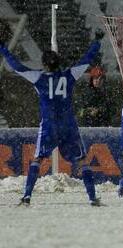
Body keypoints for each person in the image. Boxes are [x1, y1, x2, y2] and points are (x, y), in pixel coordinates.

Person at [0, 29, 105, 206]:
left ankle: (26, 197)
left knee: (38, 159)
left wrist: (3, 47)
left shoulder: (38, 77)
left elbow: (16, 66)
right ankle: (93, 198)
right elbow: (87, 60)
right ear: (59, 63)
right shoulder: (69, 75)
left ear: (44, 64)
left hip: (49, 125)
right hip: (68, 125)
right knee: (82, 160)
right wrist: (97, 41)